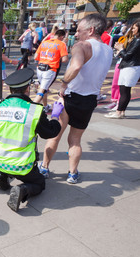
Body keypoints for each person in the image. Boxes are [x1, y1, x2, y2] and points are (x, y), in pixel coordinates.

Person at [39, 14, 113, 184]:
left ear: (91, 30)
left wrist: (64, 84)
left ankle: (44, 168)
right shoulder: (108, 49)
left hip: (70, 98)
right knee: (75, 140)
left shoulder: (82, 46)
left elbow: (76, 65)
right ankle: (72, 174)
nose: (76, 34)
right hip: (89, 100)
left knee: (55, 135)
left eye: (79, 30)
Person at [0, 68, 62, 213]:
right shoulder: (34, 111)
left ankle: (2, 178)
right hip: (22, 165)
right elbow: (50, 132)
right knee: (39, 183)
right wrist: (55, 116)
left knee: (9, 160)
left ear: (10, 89)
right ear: (28, 89)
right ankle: (22, 189)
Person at [106, 18, 140, 119]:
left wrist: (120, 49)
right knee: (124, 90)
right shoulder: (136, 39)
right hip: (129, 66)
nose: (132, 30)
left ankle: (119, 112)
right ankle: (120, 111)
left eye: (134, 28)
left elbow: (127, 55)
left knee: (125, 90)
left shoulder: (138, 40)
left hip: (131, 67)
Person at [33, 29, 69, 110]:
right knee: (41, 91)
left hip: (40, 68)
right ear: (62, 37)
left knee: (44, 88)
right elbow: (65, 59)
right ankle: (31, 110)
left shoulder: (44, 42)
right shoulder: (61, 44)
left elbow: (35, 57)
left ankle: (45, 106)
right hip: (50, 69)